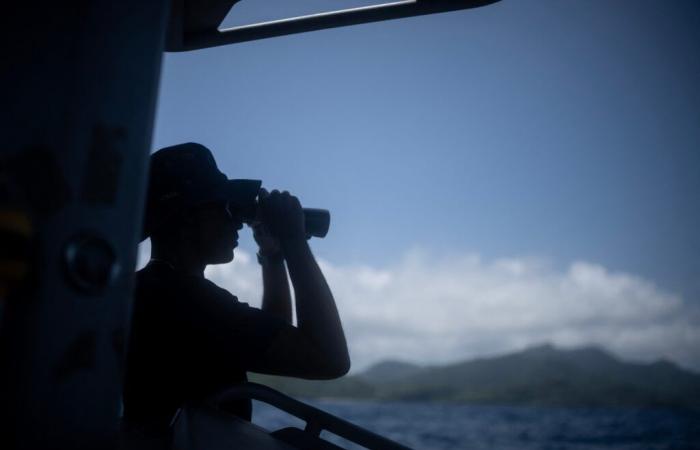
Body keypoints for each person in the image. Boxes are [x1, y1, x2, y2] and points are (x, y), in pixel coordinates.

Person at [123, 143, 350, 434]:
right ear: (187, 217)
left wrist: (273, 257)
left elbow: (273, 335)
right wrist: (294, 241)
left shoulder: (154, 290)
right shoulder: (189, 303)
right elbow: (329, 359)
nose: (238, 223)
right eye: (226, 207)